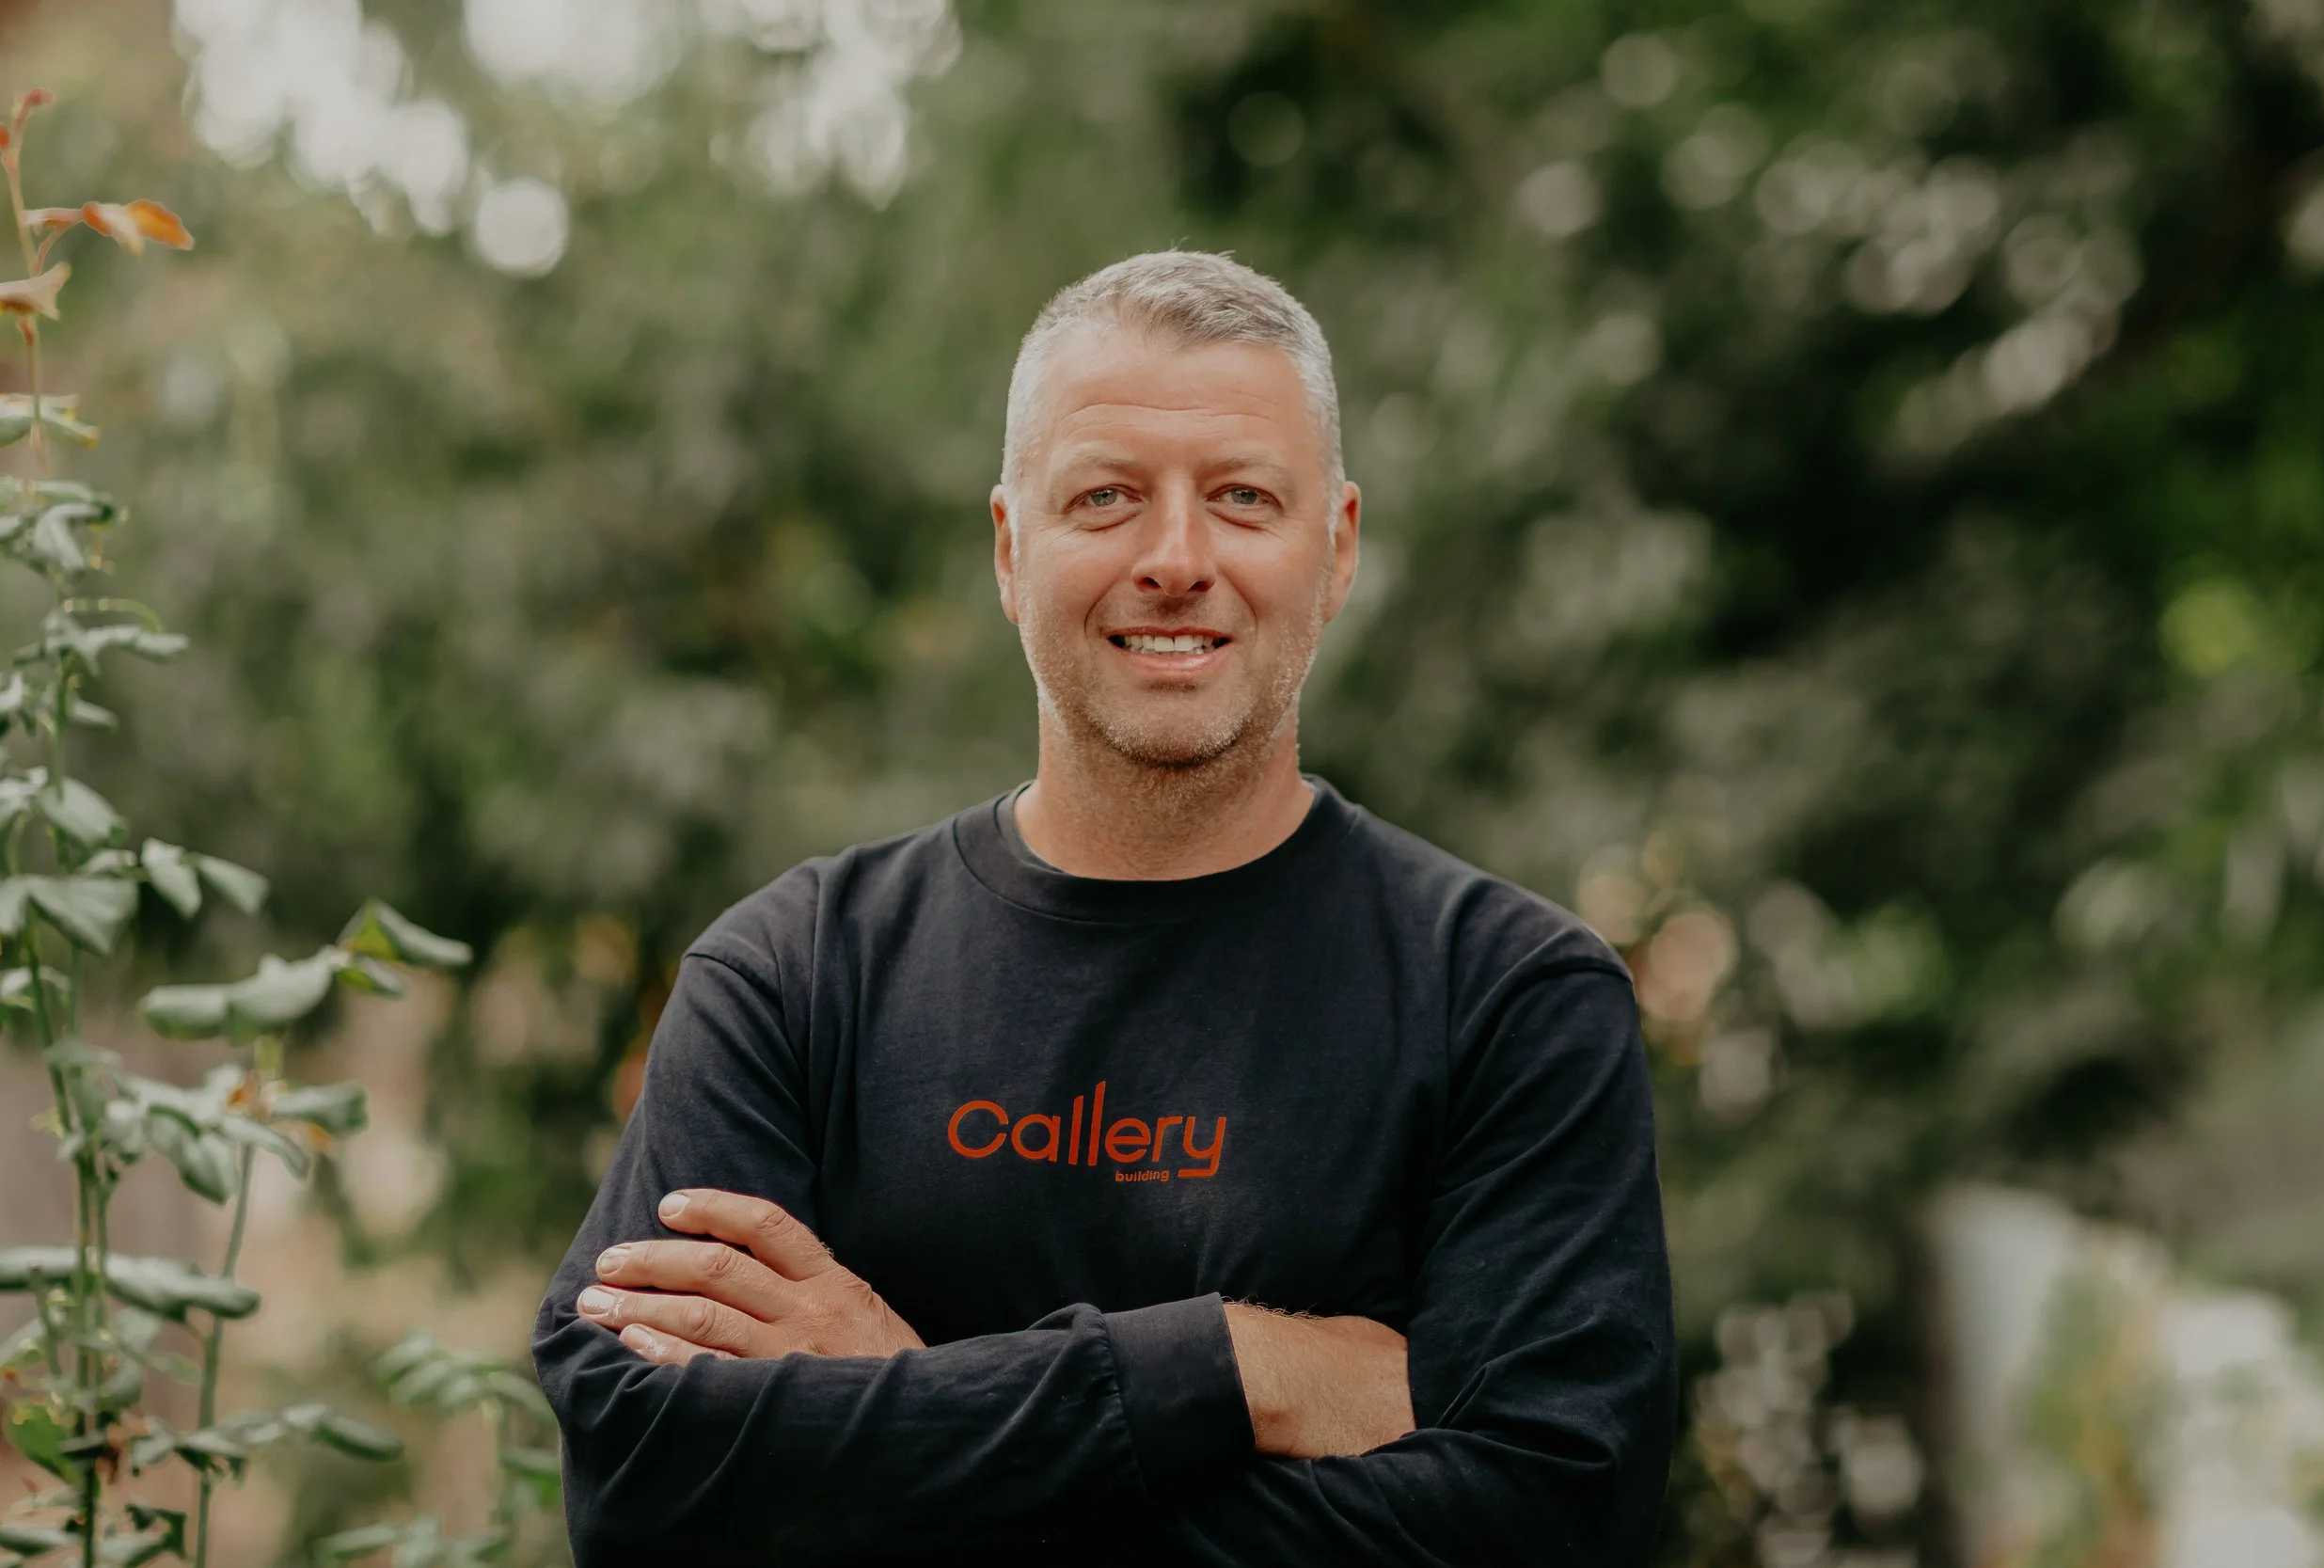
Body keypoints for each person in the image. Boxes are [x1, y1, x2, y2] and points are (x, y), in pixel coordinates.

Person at [531, 250, 1676, 1566]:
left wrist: (902, 1402)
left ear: (1338, 547)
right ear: (1014, 552)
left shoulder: (1512, 998)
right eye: (1107, 498)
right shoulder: (793, 976)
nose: (1176, 559)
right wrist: (1235, 1364)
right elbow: (641, 1488)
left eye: (1243, 497)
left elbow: (1540, 1529)